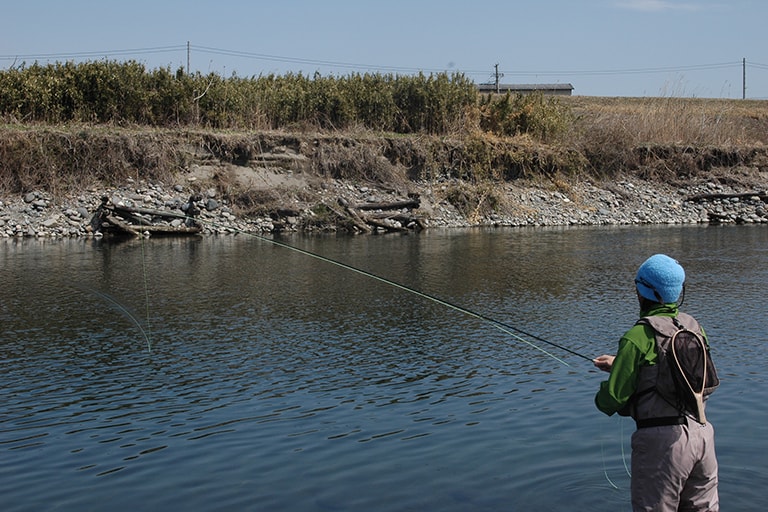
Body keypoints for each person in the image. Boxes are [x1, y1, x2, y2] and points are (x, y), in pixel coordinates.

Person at [594, 254, 719, 512]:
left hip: (663, 446)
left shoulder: (637, 336)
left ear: (642, 292)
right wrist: (620, 363)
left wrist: (611, 384)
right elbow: (675, 368)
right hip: (703, 436)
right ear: (678, 291)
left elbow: (611, 400)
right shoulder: (694, 328)